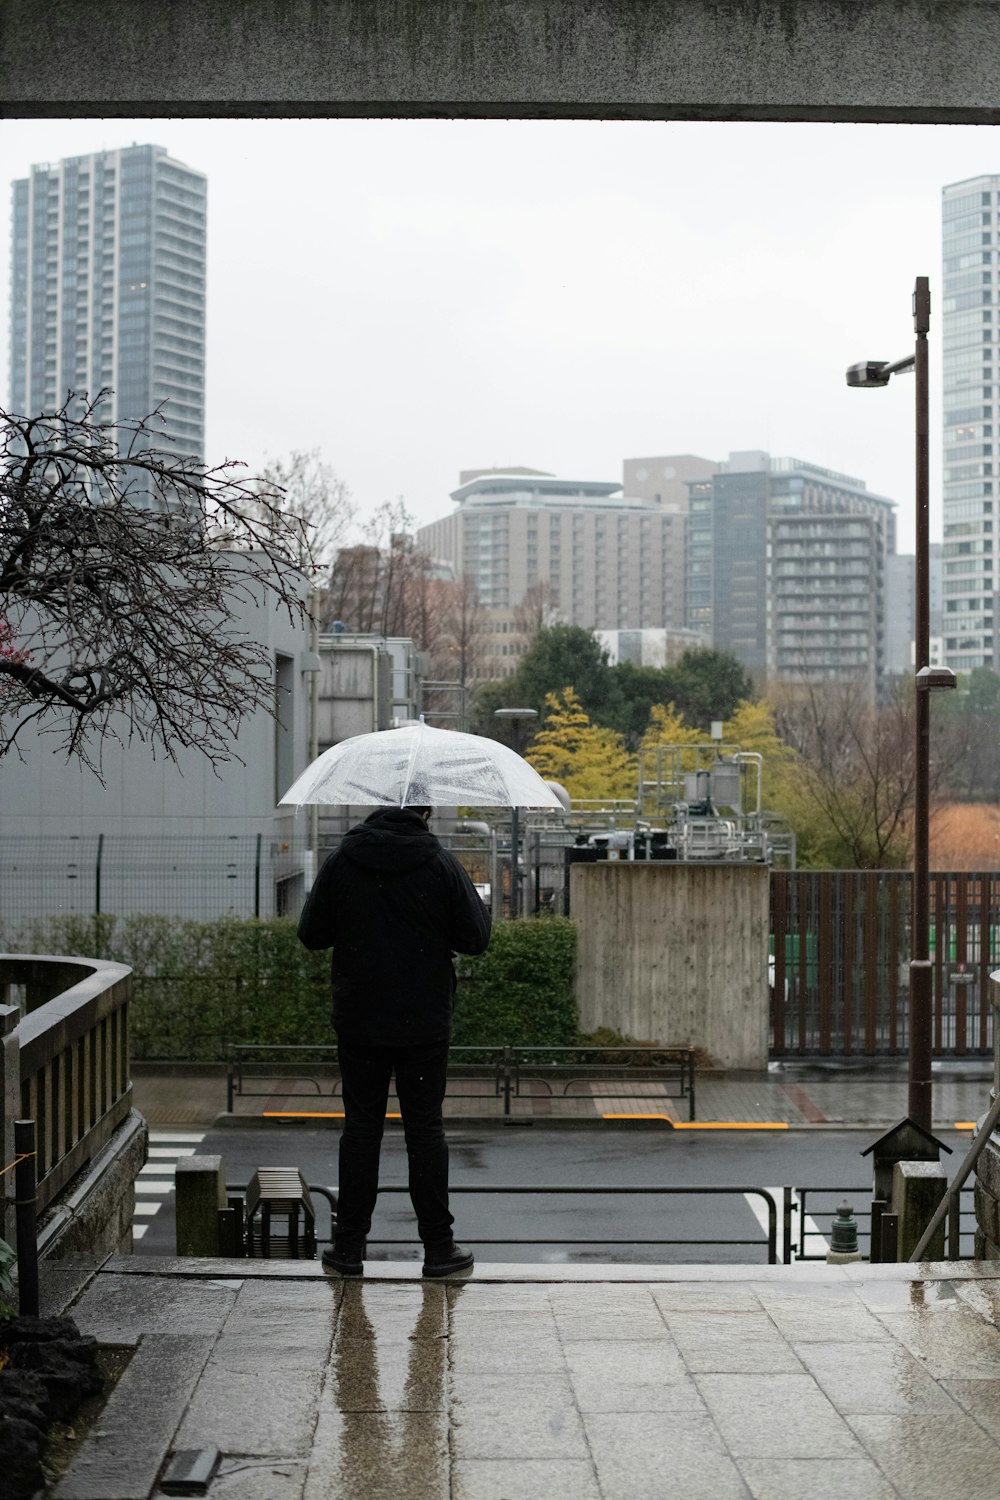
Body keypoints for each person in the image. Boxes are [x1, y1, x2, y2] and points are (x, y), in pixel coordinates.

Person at [297, 804, 491, 1278]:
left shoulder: (343, 861)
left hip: (360, 1020)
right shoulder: (440, 863)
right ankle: (439, 1250)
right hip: (423, 1023)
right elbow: (477, 938)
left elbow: (311, 934)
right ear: (425, 810)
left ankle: (348, 1249)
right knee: (425, 1131)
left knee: (362, 1130)